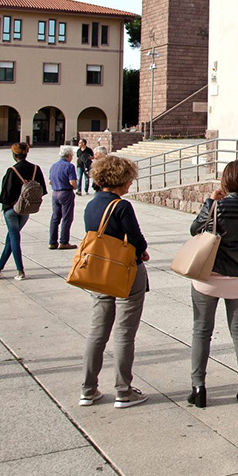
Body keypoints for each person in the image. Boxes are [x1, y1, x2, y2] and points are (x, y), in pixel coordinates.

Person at [187, 160, 238, 408]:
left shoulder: (217, 207)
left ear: (226, 181)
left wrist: (210, 201)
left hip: (211, 274)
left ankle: (198, 387)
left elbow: (195, 229)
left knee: (202, 330)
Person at [80, 155, 149, 408]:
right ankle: (123, 389)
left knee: (97, 331)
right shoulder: (121, 206)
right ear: (120, 179)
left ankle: (88, 388)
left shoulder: (91, 204)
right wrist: (141, 250)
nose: (131, 184)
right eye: (129, 179)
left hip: (98, 272)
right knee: (124, 332)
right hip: (124, 272)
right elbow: (136, 239)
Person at [0, 142, 45, 280]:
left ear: (14, 154)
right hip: (26, 209)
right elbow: (43, 190)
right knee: (11, 238)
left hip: (12, 209)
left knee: (14, 238)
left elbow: (6, 194)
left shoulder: (12, 170)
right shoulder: (36, 169)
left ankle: (20, 270)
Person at [48, 146, 79, 250]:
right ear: (69, 155)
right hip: (65, 192)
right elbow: (72, 182)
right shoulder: (69, 166)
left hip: (55, 192)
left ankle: (52, 242)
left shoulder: (54, 166)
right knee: (67, 217)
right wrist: (75, 187)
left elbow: (50, 181)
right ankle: (64, 241)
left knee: (55, 218)